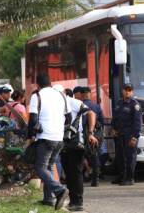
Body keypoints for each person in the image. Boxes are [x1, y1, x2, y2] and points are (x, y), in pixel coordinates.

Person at [27, 74, 71, 210]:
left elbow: (33, 119)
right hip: (59, 138)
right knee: (49, 166)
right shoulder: (61, 95)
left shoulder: (37, 96)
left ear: (38, 85)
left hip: (45, 138)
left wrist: (30, 136)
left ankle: (60, 190)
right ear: (50, 83)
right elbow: (68, 118)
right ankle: (48, 199)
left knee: (40, 168)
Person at [54, 84, 98, 212]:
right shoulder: (55, 104)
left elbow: (91, 113)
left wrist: (90, 132)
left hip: (76, 142)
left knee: (76, 172)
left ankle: (78, 202)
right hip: (63, 142)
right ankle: (73, 201)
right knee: (68, 172)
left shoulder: (72, 102)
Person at [111, 83, 142, 186]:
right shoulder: (119, 103)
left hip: (129, 135)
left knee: (130, 157)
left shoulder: (135, 105)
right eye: (126, 90)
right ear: (122, 91)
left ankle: (130, 178)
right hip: (119, 134)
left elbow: (137, 122)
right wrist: (113, 128)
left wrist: (135, 137)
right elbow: (115, 117)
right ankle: (122, 176)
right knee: (120, 157)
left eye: (130, 90)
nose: (127, 92)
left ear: (132, 92)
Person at [81, 87, 104, 187]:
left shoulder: (80, 105)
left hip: (84, 134)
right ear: (89, 94)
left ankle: (85, 176)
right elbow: (102, 121)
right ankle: (96, 179)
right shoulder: (96, 106)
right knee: (95, 156)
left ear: (81, 95)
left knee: (82, 155)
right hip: (96, 133)